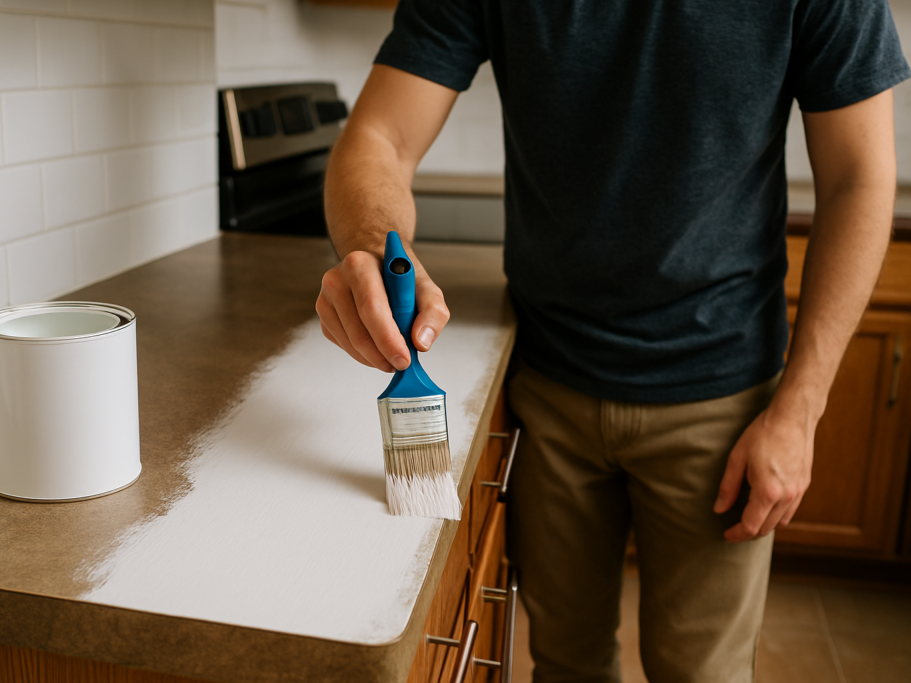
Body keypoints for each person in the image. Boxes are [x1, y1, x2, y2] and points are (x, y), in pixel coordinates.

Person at [315, 2, 909, 681]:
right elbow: (380, 136)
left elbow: (859, 179)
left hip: (724, 406)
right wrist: (370, 245)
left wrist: (800, 407)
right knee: (566, 664)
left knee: (703, 673)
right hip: (545, 394)